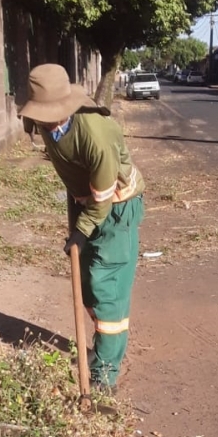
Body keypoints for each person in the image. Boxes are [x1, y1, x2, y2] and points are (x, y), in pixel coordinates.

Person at [19, 63, 144, 392]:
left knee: (108, 293)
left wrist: (80, 231)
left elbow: (103, 196)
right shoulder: (46, 125)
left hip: (116, 208)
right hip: (86, 204)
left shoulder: (95, 135)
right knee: (89, 286)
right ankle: (101, 349)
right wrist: (76, 213)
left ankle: (105, 374)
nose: (42, 121)